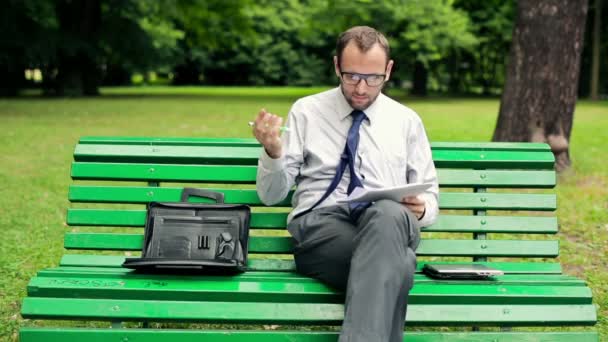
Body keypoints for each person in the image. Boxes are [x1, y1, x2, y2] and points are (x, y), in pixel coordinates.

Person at [251, 26, 438, 342]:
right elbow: (271, 196)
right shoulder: (307, 111)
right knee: (401, 265)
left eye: (373, 78)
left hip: (389, 222)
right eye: (352, 76)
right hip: (321, 230)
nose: (362, 88)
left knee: (388, 216)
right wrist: (272, 153)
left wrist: (421, 209)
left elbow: (430, 196)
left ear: (388, 71)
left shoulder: (406, 121)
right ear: (337, 65)